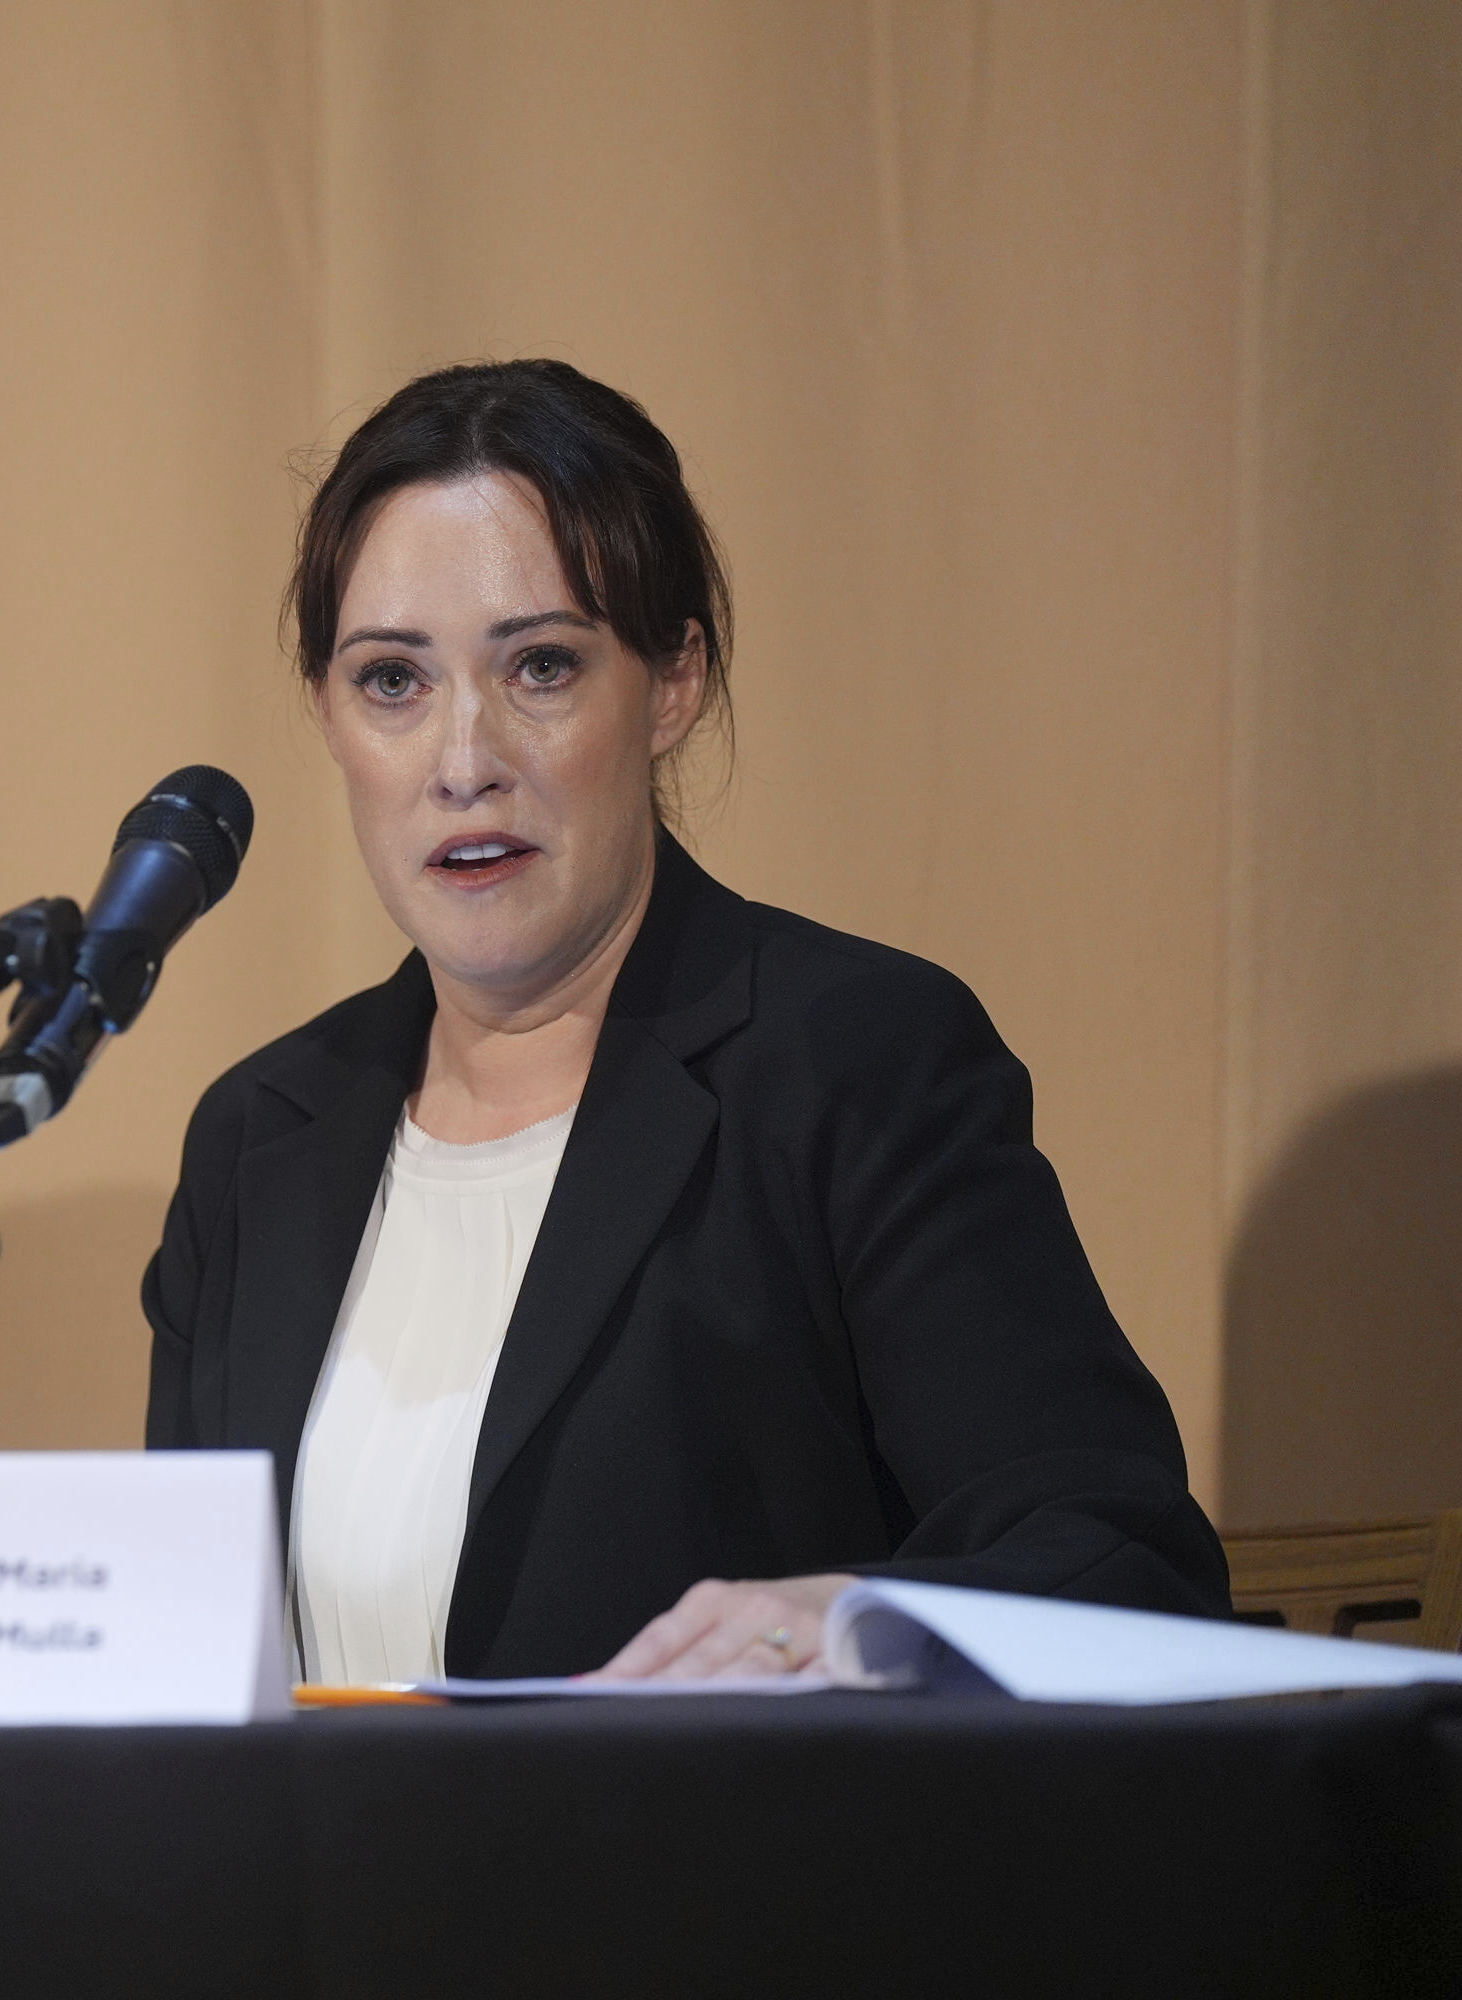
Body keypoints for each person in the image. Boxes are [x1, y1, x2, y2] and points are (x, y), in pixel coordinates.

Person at [143, 362, 1227, 1684]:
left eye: (541, 665)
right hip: (324, 1891)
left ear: (672, 685)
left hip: (732, 1882)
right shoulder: (262, 1139)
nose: (464, 757)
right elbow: (189, 1659)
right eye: (392, 681)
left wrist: (851, 1626)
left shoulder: (854, 1061)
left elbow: (1120, 1556)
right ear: (327, 712)